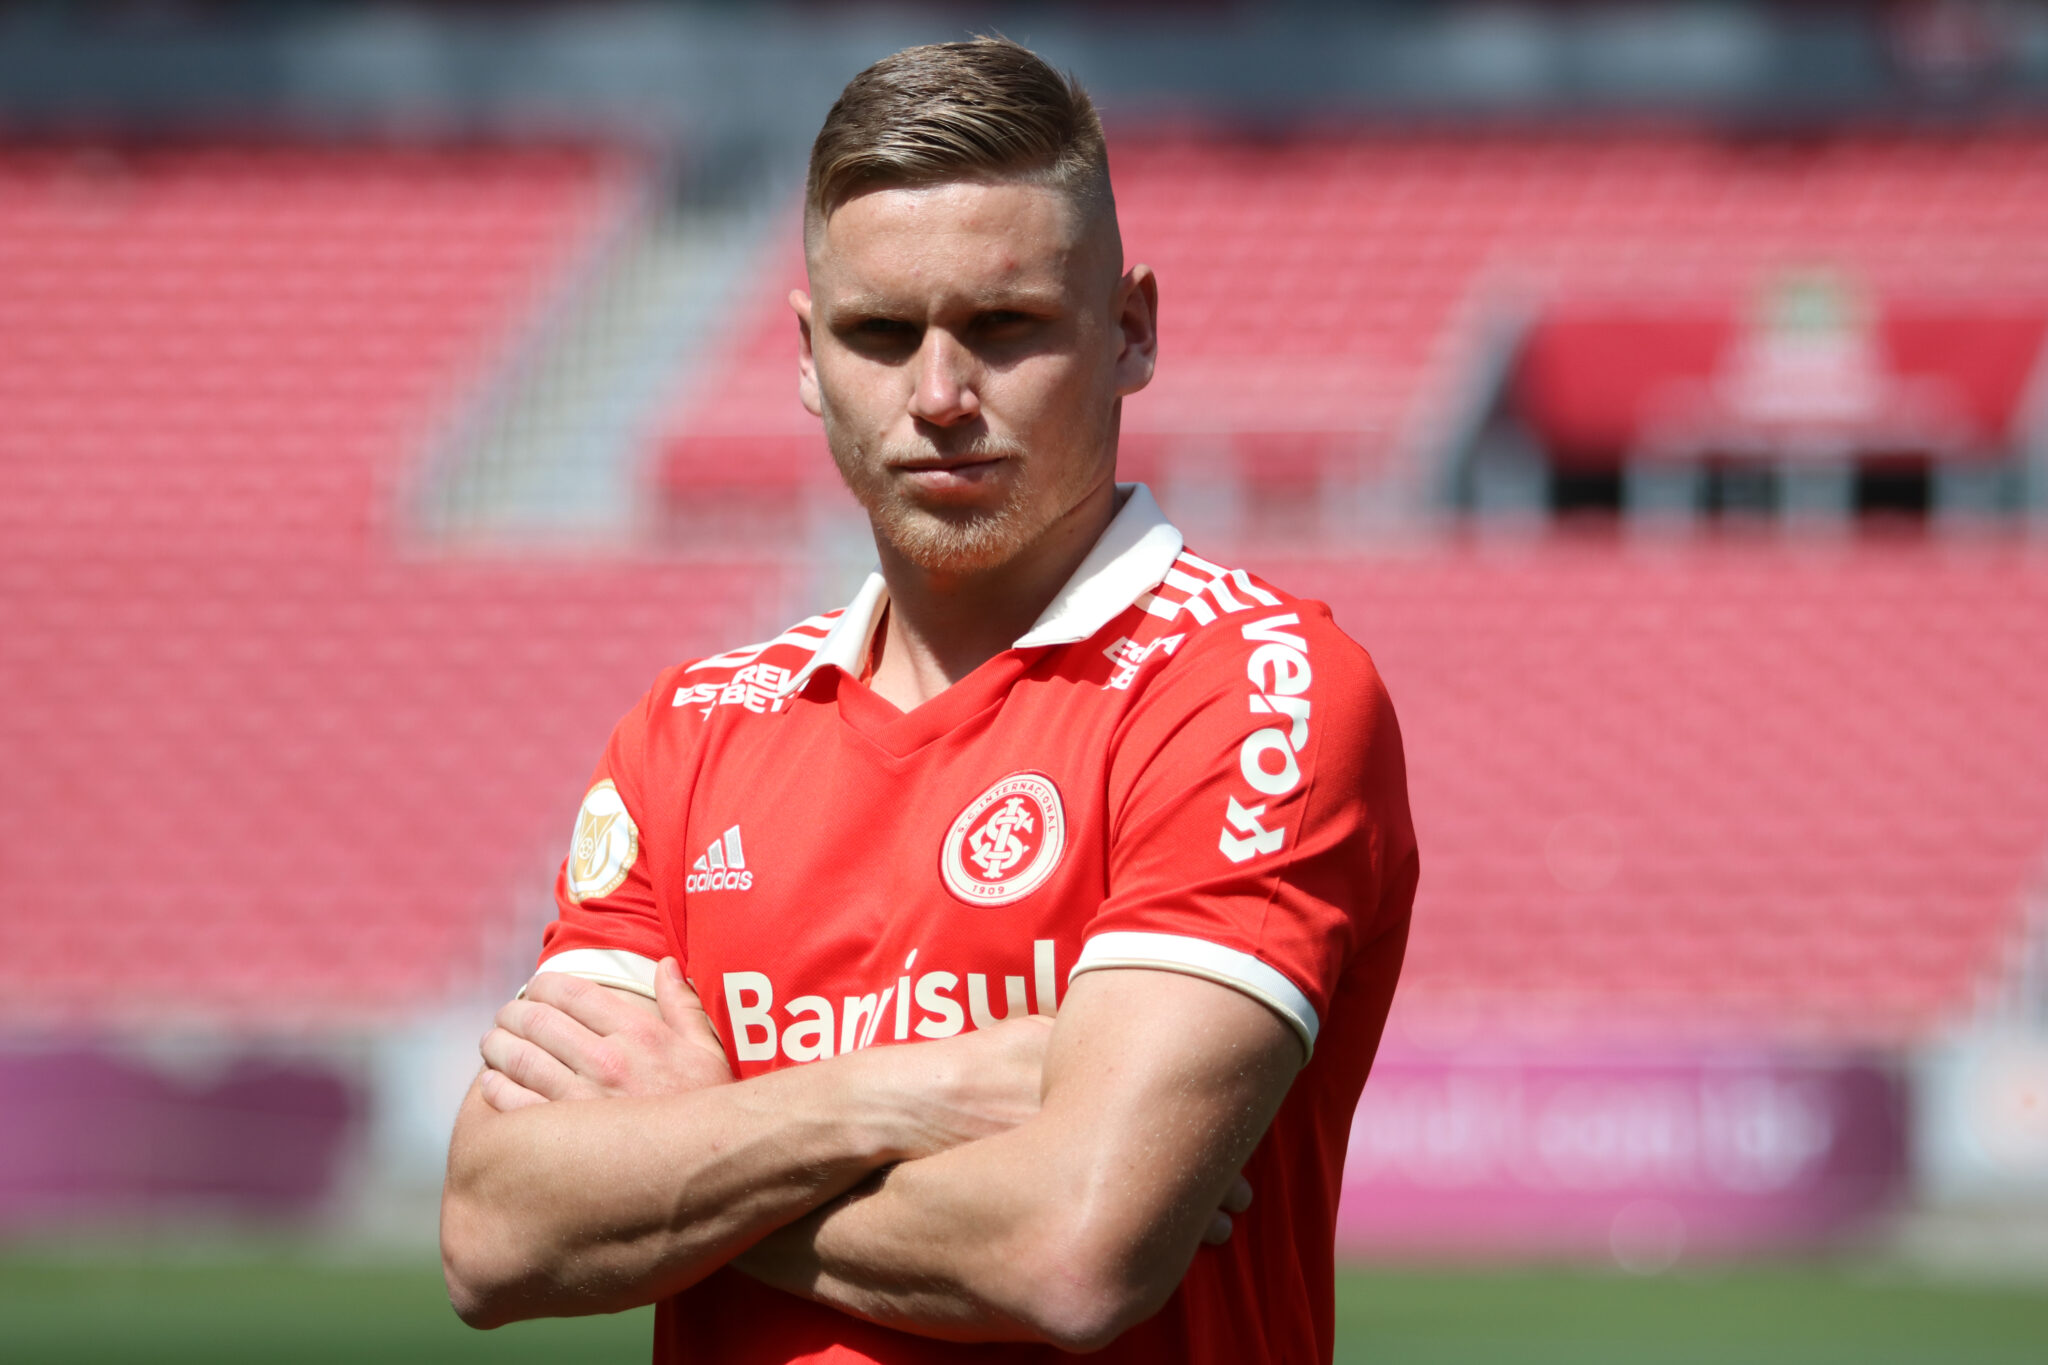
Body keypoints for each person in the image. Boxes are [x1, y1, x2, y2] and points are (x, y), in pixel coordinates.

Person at [440, 36, 1416, 1364]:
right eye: (882, 334)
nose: (940, 394)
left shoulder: (1251, 689)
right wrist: (910, 1095)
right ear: (804, 353)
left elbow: (1073, 1250)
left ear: (1130, 330)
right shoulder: (693, 730)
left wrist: (703, 1145)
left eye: (1005, 327)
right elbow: (498, 1231)